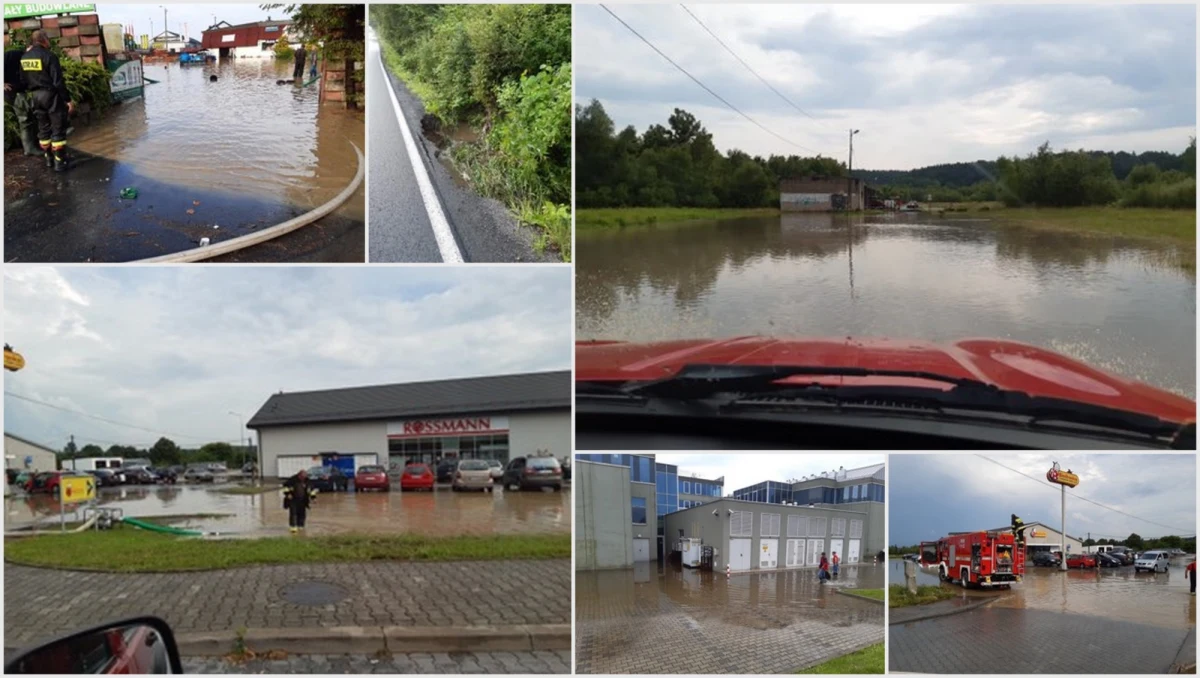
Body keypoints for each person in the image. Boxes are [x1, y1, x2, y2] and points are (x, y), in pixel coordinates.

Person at [20, 30, 73, 172]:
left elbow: (22, 80)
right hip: (51, 96)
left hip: (35, 96)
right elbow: (58, 81)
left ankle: (48, 159)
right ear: (44, 40)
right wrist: (67, 100)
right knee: (57, 127)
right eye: (48, 40)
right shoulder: (49, 56)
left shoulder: (25, 58)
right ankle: (59, 162)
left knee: (43, 128)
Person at [4, 38, 39, 155]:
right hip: (12, 93)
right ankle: (29, 148)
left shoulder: (30, 60)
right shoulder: (13, 55)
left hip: (20, 91)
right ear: (27, 48)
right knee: (25, 118)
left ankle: (32, 146)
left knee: (29, 118)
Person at [282, 468, 316, 533]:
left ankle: (301, 526)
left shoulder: (307, 481)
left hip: (303, 500)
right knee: (293, 513)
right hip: (293, 500)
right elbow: (285, 487)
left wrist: (313, 498)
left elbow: (312, 490)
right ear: (299, 475)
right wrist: (287, 494)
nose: (303, 478)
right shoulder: (292, 480)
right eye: (302, 477)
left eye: (305, 477)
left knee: (302, 513)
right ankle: (293, 527)